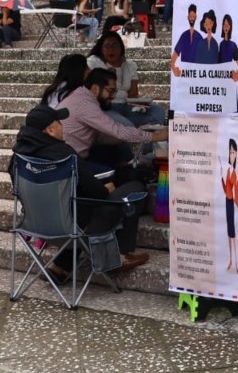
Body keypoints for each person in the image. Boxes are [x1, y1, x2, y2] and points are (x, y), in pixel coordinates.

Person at [10, 104, 151, 280]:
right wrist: (105, 188)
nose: (64, 126)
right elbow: (98, 193)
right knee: (134, 188)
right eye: (60, 122)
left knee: (75, 208)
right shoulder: (64, 155)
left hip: (34, 225)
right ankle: (118, 255)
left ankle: (61, 265)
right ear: (51, 130)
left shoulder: (18, 157)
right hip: (71, 226)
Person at [57, 68, 168, 182]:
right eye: (111, 91)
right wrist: (155, 137)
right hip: (68, 163)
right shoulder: (85, 104)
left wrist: (136, 135)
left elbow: (101, 136)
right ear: (95, 88)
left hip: (69, 157)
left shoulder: (80, 97)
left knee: (112, 152)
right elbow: (116, 130)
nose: (113, 96)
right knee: (114, 175)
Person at [86, 31, 165, 127]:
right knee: (127, 126)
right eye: (107, 46)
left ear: (121, 47)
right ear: (101, 49)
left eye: (115, 45)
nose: (111, 49)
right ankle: (129, 127)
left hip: (127, 106)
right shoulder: (94, 62)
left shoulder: (130, 65)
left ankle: (128, 126)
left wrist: (139, 104)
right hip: (106, 106)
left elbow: (133, 93)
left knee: (158, 112)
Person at [221, 138, 238, 275]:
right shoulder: (228, 169)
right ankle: (231, 260)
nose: (232, 155)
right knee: (229, 231)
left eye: (233, 152)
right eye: (230, 152)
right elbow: (226, 188)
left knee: (234, 231)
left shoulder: (234, 171)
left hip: (234, 202)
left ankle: (236, 260)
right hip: (228, 201)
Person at [170, 3, 201, 75]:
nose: (192, 19)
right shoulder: (183, 36)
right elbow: (173, 58)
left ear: (196, 17)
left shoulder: (199, 37)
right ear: (188, 17)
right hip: (185, 74)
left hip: (196, 74)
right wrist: (174, 70)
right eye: (190, 16)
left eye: (193, 16)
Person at [218, 14, 238, 82]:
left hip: (230, 80)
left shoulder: (233, 45)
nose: (226, 27)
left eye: (228, 25)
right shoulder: (220, 44)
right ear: (222, 26)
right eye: (224, 25)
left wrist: (237, 76)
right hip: (221, 78)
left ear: (230, 27)